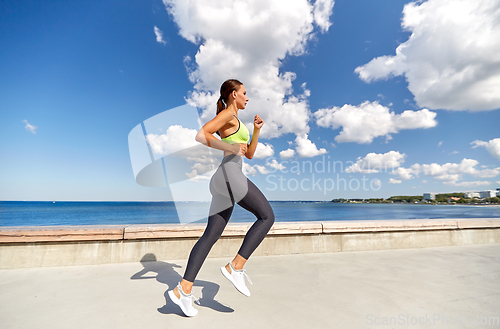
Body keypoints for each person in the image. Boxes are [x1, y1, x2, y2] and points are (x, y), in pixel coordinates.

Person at [168, 79, 275, 317]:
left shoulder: (237, 121)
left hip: (224, 178)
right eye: (245, 93)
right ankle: (235, 266)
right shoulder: (227, 114)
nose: (247, 98)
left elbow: (249, 154)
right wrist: (227, 148)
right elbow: (201, 135)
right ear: (233, 94)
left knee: (211, 235)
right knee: (267, 216)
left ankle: (182, 290)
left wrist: (256, 130)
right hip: (229, 175)